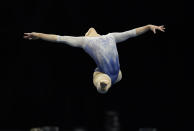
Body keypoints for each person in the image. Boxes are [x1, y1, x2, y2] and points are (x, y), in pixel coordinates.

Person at [24, 24, 165, 94]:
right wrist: (148, 26)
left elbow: (59, 38)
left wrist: (39, 35)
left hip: (110, 76)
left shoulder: (85, 41)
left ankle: (103, 84)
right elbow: (133, 33)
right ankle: (103, 83)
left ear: (87, 35)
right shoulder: (111, 36)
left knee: (97, 75)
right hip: (116, 75)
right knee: (101, 74)